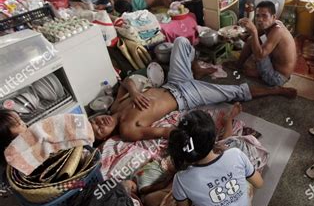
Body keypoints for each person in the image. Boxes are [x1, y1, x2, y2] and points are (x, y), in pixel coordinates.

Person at [91, 37, 296, 142]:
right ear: (105, 138)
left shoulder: (115, 108)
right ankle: (276, 90)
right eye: (100, 130)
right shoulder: (128, 130)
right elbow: (163, 132)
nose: (101, 123)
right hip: (185, 97)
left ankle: (195, 66)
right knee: (233, 92)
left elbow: (127, 81)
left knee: (180, 42)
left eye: (95, 121)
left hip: (172, 83)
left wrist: (134, 92)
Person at [143, 109, 263, 206]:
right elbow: (259, 183)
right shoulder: (235, 154)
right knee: (245, 174)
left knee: (150, 200)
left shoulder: (181, 179)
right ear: (213, 138)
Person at [226, 1, 297, 87]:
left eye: (264, 16)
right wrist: (235, 35)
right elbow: (249, 39)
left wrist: (254, 31)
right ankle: (239, 65)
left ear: (273, 17)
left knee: (255, 44)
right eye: (258, 16)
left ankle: (245, 69)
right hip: (275, 66)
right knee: (253, 39)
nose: (260, 19)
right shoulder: (273, 24)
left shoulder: (278, 31)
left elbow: (260, 55)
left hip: (277, 78)